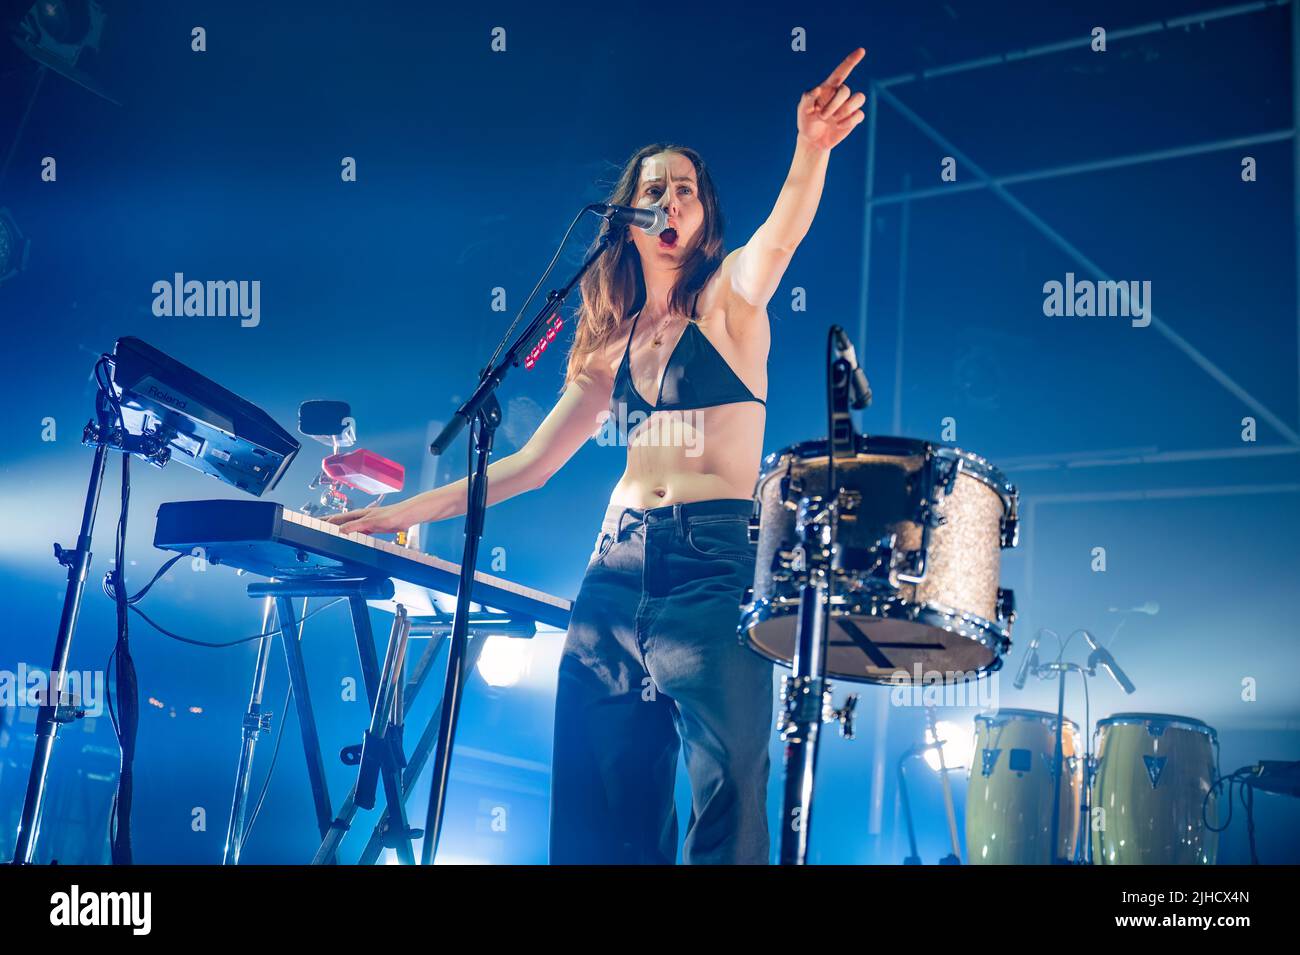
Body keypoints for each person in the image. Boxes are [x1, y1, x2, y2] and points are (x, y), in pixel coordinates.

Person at [328, 48, 867, 863]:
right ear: (628, 214)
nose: (670, 199)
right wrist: (393, 518)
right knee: (597, 809)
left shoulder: (729, 302)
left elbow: (783, 232)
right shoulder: (610, 343)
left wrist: (812, 148)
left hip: (713, 565)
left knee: (726, 797)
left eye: (685, 188)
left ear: (703, 213)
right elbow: (529, 466)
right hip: (612, 576)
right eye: (654, 188)